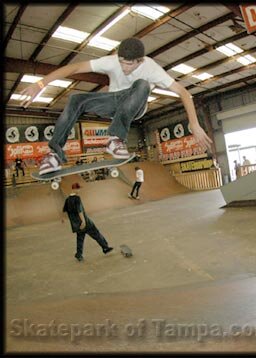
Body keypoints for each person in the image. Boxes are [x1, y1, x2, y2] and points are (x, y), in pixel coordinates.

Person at [20, 37, 212, 175]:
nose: (124, 68)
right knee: (75, 99)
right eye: (121, 62)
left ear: (140, 60)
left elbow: (183, 92)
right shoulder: (111, 62)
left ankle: (115, 140)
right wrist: (41, 83)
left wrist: (194, 124)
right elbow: (75, 68)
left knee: (142, 84)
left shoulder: (151, 68)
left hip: (135, 106)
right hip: (113, 102)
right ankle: (55, 154)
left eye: (129, 65)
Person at [63, 183, 113, 261]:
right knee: (96, 234)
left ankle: (79, 255)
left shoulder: (67, 199)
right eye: (78, 189)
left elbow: (65, 211)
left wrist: (63, 219)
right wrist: (83, 221)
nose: (79, 190)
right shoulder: (77, 198)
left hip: (76, 225)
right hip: (85, 222)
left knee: (80, 239)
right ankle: (105, 248)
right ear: (75, 189)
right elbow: (80, 211)